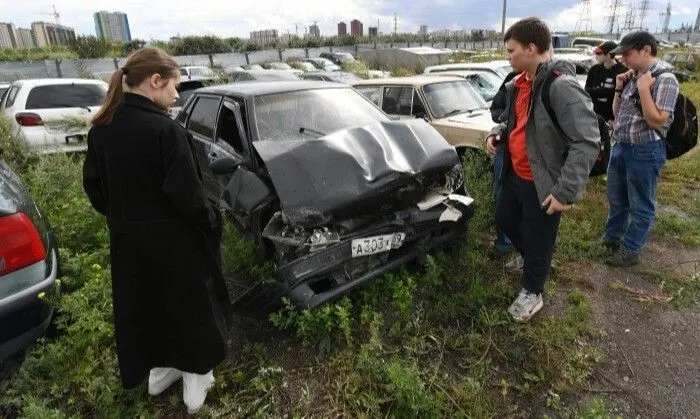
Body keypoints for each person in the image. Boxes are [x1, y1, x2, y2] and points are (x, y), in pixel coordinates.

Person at [83, 48, 231, 414]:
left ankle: (160, 372)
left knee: (148, 309)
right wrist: (213, 219)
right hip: (176, 244)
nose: (178, 94)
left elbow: (94, 188)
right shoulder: (165, 131)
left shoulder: (102, 129)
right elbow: (188, 196)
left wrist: (126, 219)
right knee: (191, 309)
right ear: (155, 81)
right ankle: (195, 383)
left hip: (129, 246)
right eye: (175, 85)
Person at [486, 17, 600, 321]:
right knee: (505, 219)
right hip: (515, 173)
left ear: (532, 48)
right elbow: (518, 123)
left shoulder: (561, 86)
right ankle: (533, 260)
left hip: (544, 181)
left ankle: (533, 291)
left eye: (511, 50)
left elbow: (587, 141)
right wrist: (498, 132)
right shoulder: (518, 84)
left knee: (539, 238)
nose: (507, 56)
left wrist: (565, 191)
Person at [600, 31, 679, 267]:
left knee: (641, 203)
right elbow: (617, 114)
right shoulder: (634, 75)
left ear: (646, 50)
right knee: (617, 198)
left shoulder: (665, 79)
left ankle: (631, 249)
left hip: (645, 150)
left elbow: (658, 120)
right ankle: (612, 237)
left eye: (627, 53)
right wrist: (618, 88)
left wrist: (644, 90)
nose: (623, 59)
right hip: (621, 145)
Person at [488, 70, 519, 261]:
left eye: (512, 51)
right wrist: (504, 120)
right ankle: (504, 243)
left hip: (531, 155)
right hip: (505, 150)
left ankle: (521, 242)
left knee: (527, 200)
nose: (510, 57)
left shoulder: (545, 80)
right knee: (500, 196)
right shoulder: (511, 79)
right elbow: (495, 110)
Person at [585, 41, 628, 122]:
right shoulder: (594, 69)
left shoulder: (622, 71)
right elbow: (586, 90)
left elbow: (619, 95)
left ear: (608, 55)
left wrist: (613, 118)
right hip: (593, 114)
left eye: (599, 53)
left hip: (611, 117)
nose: (596, 56)